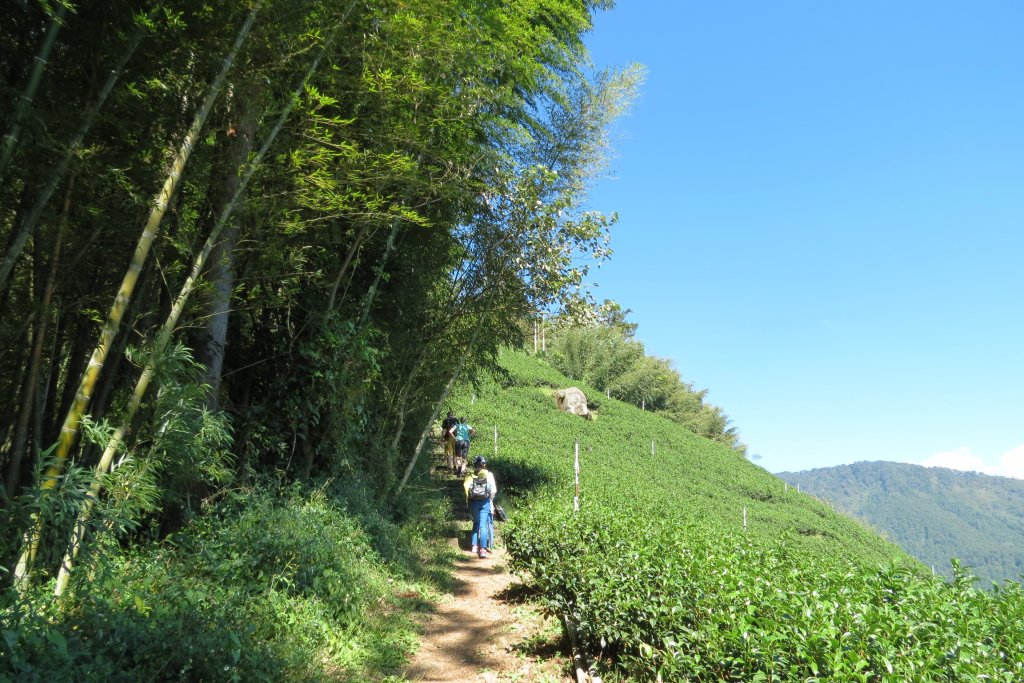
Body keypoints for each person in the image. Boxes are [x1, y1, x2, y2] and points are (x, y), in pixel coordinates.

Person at [463, 456, 497, 559]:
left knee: (476, 523)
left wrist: (469, 499)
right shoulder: (489, 475)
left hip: (473, 502)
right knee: (483, 525)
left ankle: (474, 546)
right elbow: (493, 490)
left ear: (475, 465)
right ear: (484, 464)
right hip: (485, 502)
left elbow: (466, 489)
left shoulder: (470, 475)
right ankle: (482, 549)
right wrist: (490, 499)